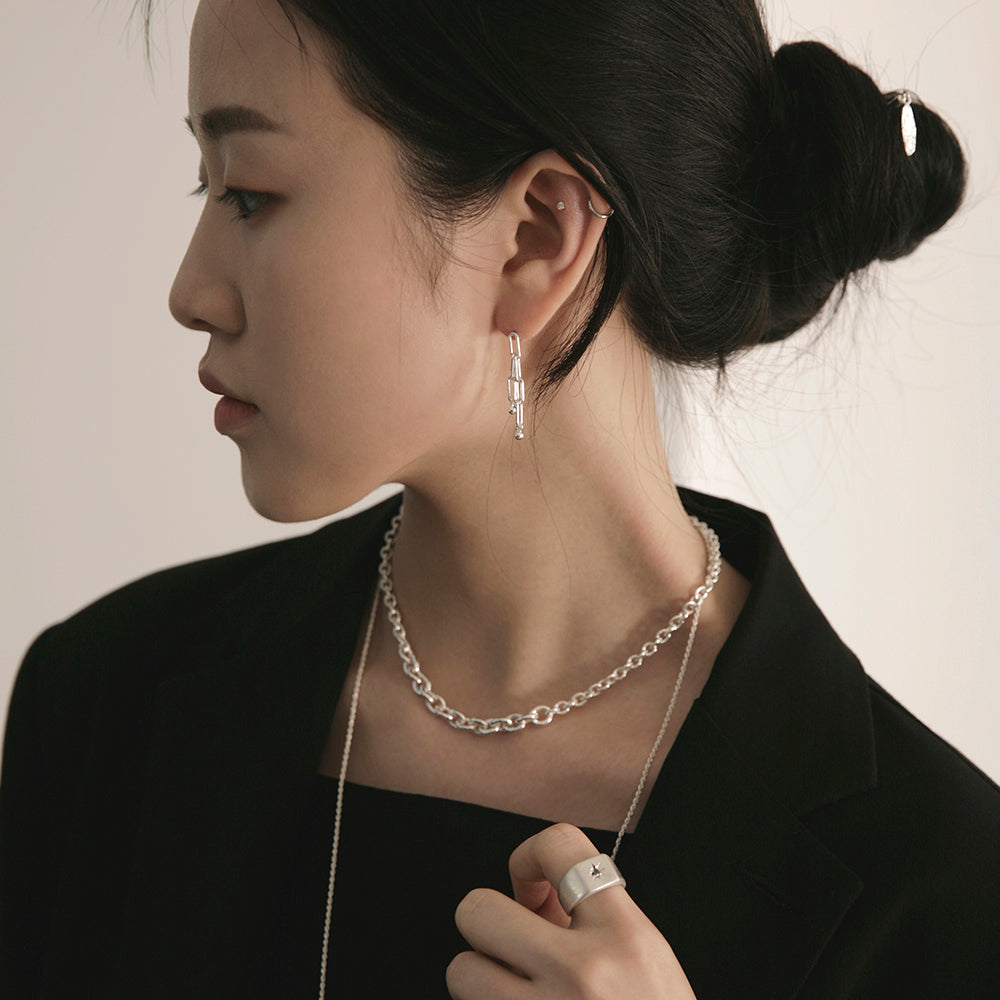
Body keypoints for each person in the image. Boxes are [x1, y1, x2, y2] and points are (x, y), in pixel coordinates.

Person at [1, 0, 997, 997]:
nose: (189, 289)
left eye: (251, 194)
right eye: (206, 184)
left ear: (536, 234)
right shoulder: (102, 711)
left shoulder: (941, 890)